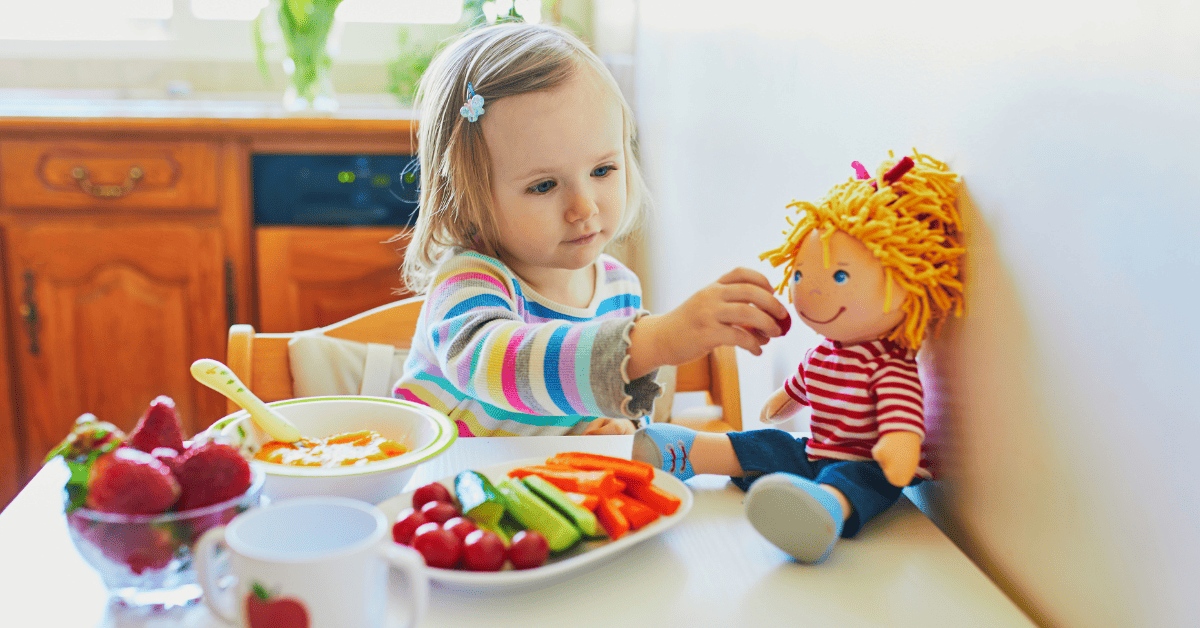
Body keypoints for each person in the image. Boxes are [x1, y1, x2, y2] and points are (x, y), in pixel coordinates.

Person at [393, 22, 788, 437]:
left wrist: (619, 424)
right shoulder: (468, 284)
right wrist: (654, 340)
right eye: (543, 185)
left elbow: (615, 395)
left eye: (602, 170)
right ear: (469, 196)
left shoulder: (619, 287)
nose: (583, 207)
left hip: (551, 491)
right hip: (447, 492)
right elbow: (501, 367)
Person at [632, 151, 964, 563]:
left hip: (864, 462)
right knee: (770, 443)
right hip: (813, 449)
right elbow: (802, 386)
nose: (809, 291)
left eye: (839, 276)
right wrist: (782, 401)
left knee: (854, 479)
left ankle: (822, 511)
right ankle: (689, 452)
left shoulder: (889, 367)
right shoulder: (823, 353)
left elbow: (901, 422)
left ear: (904, 283)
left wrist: (899, 448)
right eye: (803, 275)